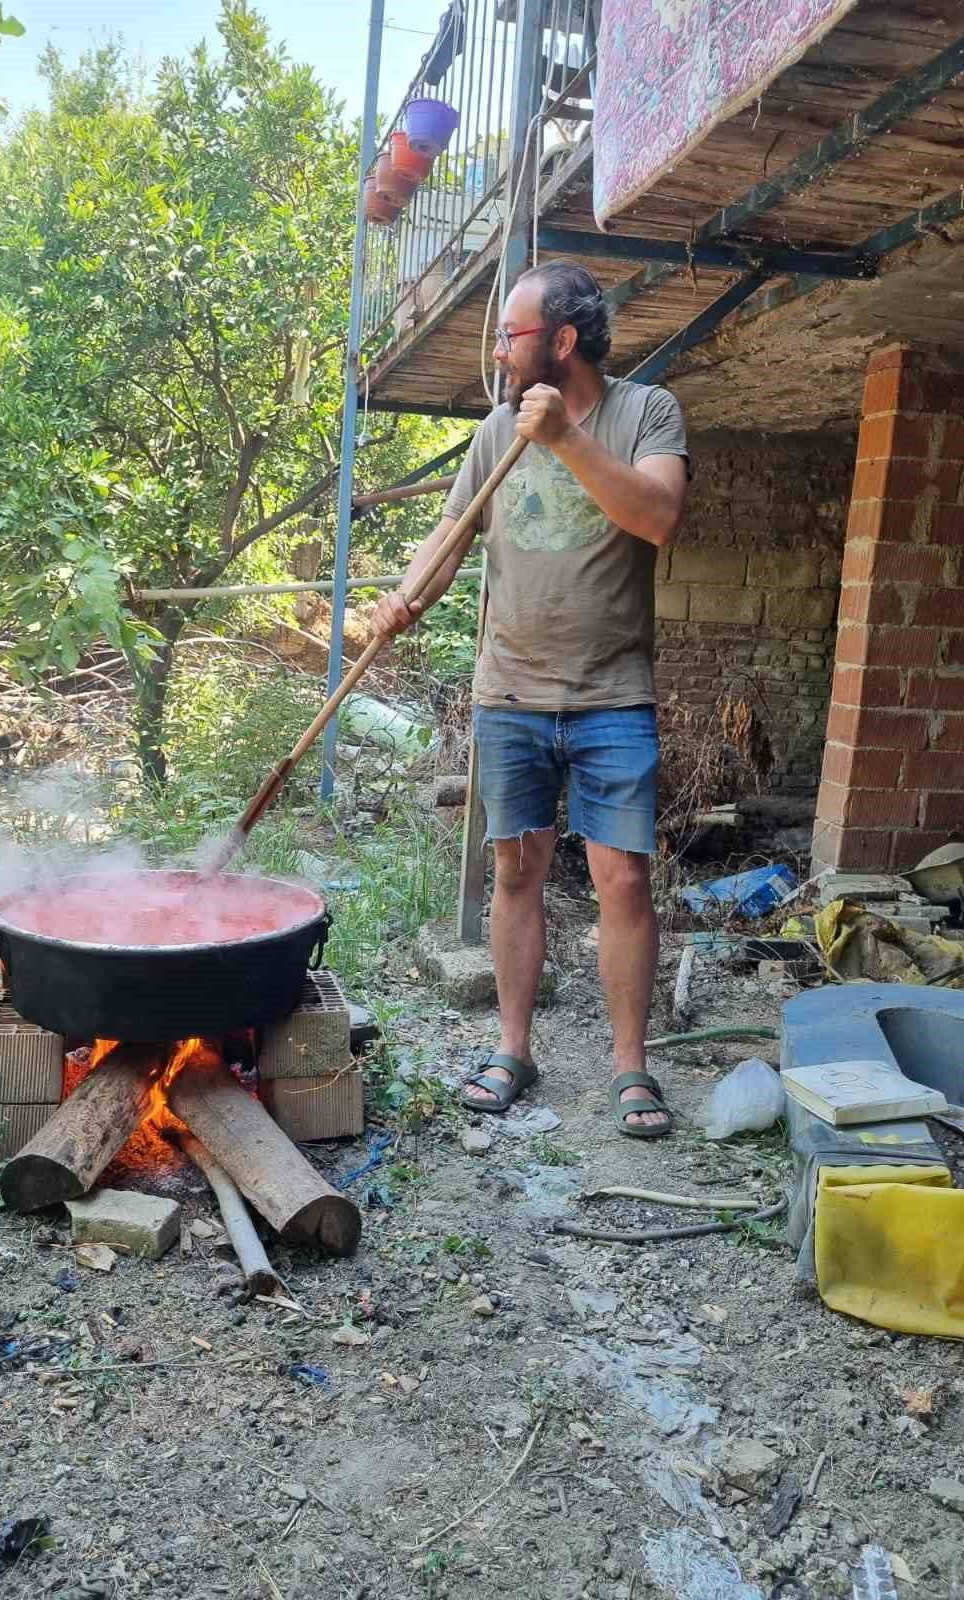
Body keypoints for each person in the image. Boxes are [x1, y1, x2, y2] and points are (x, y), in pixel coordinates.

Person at [371, 260, 688, 1137]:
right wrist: (406, 597)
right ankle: (514, 1048)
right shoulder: (494, 431)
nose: (500, 353)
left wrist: (566, 443)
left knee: (622, 878)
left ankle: (632, 1069)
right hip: (509, 689)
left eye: (511, 336)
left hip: (611, 694)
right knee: (517, 868)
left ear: (562, 341)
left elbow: (658, 517)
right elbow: (451, 529)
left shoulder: (646, 413)